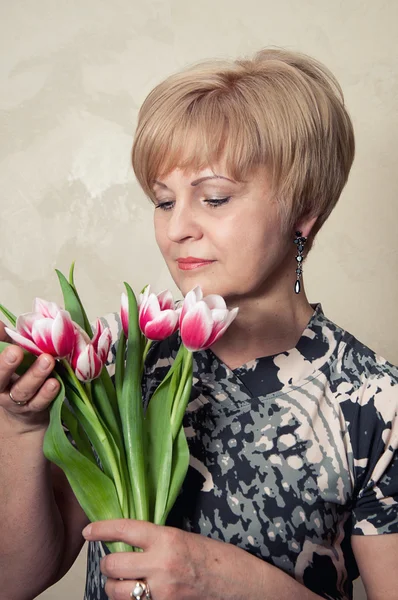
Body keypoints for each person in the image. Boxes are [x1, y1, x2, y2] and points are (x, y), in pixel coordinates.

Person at [0, 47, 397, 600]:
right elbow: (12, 581)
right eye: (163, 201)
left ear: (304, 213)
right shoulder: (122, 366)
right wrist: (19, 430)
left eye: (214, 197)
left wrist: (227, 581)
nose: (177, 228)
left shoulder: (376, 405)